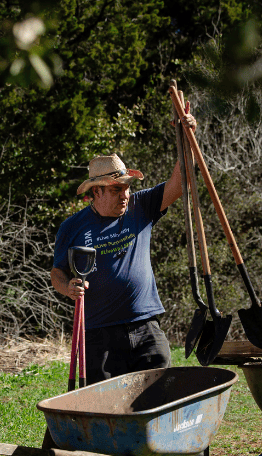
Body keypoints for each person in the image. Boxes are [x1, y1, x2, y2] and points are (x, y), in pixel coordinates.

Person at [50, 113, 196, 385]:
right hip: (98, 335)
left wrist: (186, 139)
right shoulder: (72, 227)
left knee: (158, 394)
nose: (125, 195)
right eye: (117, 189)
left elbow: (180, 183)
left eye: (127, 187)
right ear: (96, 193)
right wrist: (67, 287)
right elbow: (57, 272)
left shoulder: (141, 207)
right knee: (105, 406)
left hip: (146, 326)